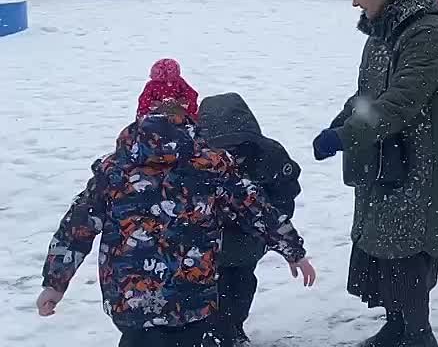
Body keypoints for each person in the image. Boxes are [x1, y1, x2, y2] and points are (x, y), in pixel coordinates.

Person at [37, 102, 315, 347]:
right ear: (191, 128)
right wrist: (293, 251)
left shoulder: (114, 171)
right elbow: (256, 209)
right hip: (191, 294)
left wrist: (55, 283)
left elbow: (76, 229)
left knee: (139, 339)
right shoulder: (211, 167)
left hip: (131, 296)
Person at [313, 0, 438, 347]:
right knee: (384, 247)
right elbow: (370, 93)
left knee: (407, 253)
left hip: (422, 162)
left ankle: (418, 334)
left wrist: (346, 136)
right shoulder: (384, 28)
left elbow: (401, 100)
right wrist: (341, 121)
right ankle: (397, 325)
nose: (354, 2)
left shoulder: (427, 32)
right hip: (387, 158)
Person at [199, 92, 304, 346]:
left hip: (237, 240)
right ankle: (225, 332)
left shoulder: (267, 154)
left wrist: (272, 229)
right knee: (230, 288)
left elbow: (285, 191)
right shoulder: (267, 152)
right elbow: (285, 192)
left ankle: (228, 330)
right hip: (218, 242)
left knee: (237, 286)